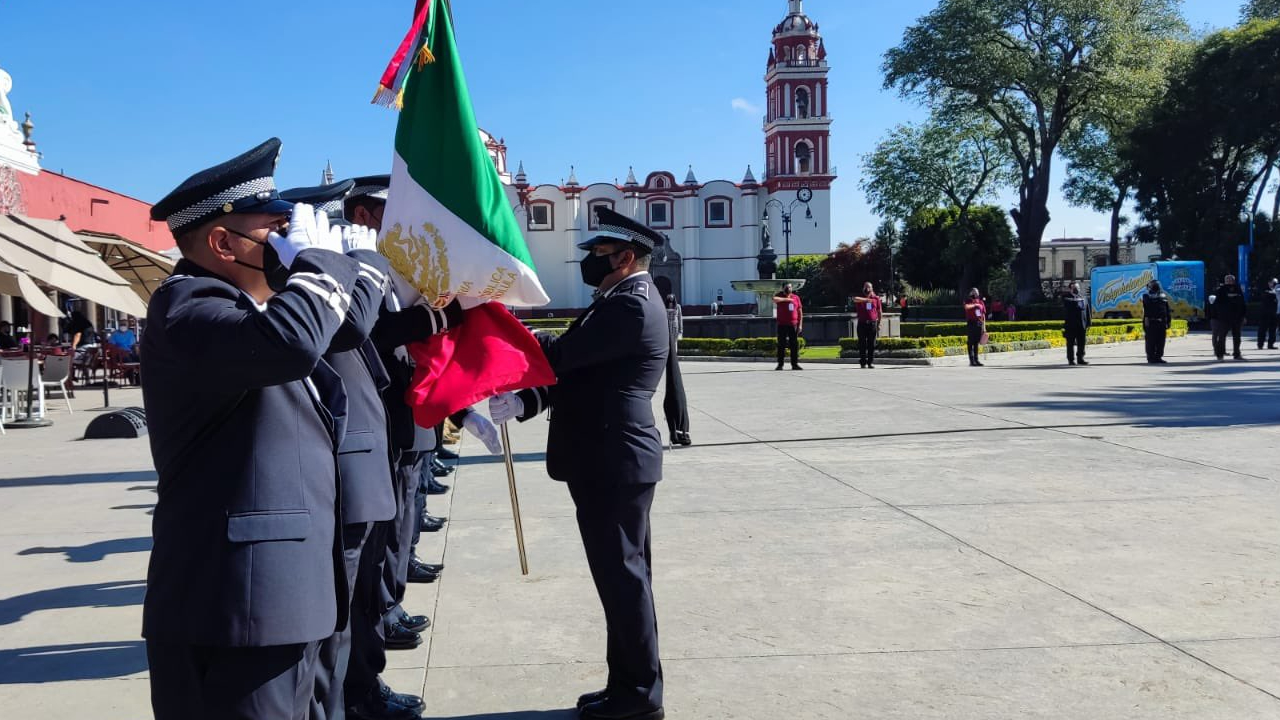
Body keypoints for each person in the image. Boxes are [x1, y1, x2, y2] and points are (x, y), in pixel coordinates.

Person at [141, 138, 361, 720]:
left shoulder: (250, 313)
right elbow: (289, 345)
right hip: (239, 610)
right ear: (221, 242)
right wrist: (322, 266)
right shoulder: (187, 307)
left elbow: (350, 330)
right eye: (275, 232)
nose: (289, 244)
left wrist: (345, 270)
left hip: (285, 600)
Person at [490, 206, 668, 720]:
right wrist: (528, 402)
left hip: (613, 459)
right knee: (620, 580)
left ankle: (638, 697)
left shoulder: (630, 305)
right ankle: (625, 685)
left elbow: (563, 356)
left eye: (600, 256)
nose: (591, 263)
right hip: (608, 456)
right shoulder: (616, 299)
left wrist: (498, 326)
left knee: (624, 580)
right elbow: (583, 377)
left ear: (626, 257)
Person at [663, 293, 691, 446]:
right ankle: (680, 432)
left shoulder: (677, 308)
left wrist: (680, 333)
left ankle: (678, 432)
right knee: (676, 388)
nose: (671, 302)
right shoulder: (661, 308)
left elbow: (679, 320)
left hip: (671, 334)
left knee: (674, 387)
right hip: (664, 336)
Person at [1210, 274, 1246, 360]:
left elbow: (1242, 304)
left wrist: (1243, 316)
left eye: (1231, 280)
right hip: (1224, 318)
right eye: (1228, 280)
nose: (1229, 281)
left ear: (1234, 280)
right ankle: (1220, 354)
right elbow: (1216, 305)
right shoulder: (1220, 290)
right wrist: (1218, 316)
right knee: (1221, 336)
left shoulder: (1238, 289)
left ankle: (1237, 354)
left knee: (1237, 337)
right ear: (1225, 281)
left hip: (1237, 317)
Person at [773, 283, 803, 370]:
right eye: (786, 287)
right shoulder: (779, 295)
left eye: (790, 287)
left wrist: (800, 325)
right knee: (781, 345)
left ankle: (795, 364)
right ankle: (780, 364)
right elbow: (774, 299)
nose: (788, 289)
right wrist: (787, 299)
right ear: (783, 288)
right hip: (782, 324)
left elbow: (800, 312)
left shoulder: (796, 297)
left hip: (793, 324)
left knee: (794, 345)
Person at [852, 282, 882, 369]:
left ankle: (870, 362)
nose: (867, 289)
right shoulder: (860, 297)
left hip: (872, 323)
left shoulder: (876, 298)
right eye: (865, 287)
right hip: (862, 323)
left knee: (871, 344)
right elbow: (854, 299)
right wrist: (866, 300)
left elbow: (879, 312)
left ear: (872, 288)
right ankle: (863, 362)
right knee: (862, 343)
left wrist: (879, 323)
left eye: (869, 287)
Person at [1142, 280, 1173, 364]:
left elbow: (1167, 310)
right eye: (1154, 285)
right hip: (1151, 322)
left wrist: (1169, 321)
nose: (1156, 286)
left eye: (1157, 285)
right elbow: (1146, 310)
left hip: (1161, 322)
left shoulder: (1163, 296)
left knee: (1161, 341)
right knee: (1150, 341)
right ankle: (1151, 357)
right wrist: (1145, 323)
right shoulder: (1146, 296)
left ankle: (1158, 357)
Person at [1062, 281, 1090, 366]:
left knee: (1081, 343)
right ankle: (1071, 360)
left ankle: (1080, 358)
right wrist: (1076, 298)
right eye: (1074, 288)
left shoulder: (1083, 298)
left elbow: (1087, 311)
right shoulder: (1066, 299)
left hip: (1082, 325)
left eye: (1078, 288)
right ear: (1070, 289)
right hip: (1071, 326)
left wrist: (1088, 323)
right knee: (1070, 344)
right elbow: (1070, 304)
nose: (1077, 289)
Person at [964, 288, 986, 367]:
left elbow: (983, 315)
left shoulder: (981, 302)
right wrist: (975, 305)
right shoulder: (968, 300)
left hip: (979, 323)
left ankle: (976, 360)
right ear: (971, 293)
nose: (976, 294)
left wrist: (984, 327)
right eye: (974, 292)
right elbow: (966, 307)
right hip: (971, 323)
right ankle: (971, 360)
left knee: (976, 342)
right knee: (970, 342)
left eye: (977, 292)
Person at [1257, 277, 1278, 350]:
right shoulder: (1265, 289)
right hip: (1264, 313)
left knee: (1273, 330)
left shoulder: (1277, 291)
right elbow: (1265, 295)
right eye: (1273, 282)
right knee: (1262, 329)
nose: (1274, 284)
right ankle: (1260, 344)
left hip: (1274, 313)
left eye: (1275, 283)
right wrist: (1274, 293)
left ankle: (1271, 344)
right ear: (1269, 282)